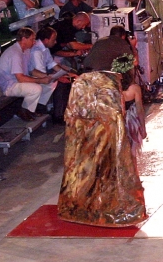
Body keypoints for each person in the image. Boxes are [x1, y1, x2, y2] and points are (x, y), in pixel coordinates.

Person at [57, 71, 147, 227]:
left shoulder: (99, 98)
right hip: (122, 126)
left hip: (114, 126)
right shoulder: (131, 89)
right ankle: (129, 184)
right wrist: (142, 128)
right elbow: (138, 109)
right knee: (126, 157)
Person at [0, 28, 54, 121]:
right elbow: (20, 78)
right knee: (36, 88)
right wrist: (40, 80)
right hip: (9, 85)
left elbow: (31, 70)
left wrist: (46, 76)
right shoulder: (15, 53)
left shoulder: (26, 50)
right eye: (32, 39)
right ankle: (24, 110)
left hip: (18, 81)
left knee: (48, 83)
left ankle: (32, 109)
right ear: (24, 39)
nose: (34, 42)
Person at [112, 55, 145, 166]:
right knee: (132, 154)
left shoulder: (112, 87)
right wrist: (143, 128)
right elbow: (140, 110)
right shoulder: (135, 88)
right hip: (131, 124)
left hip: (116, 123)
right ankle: (133, 178)